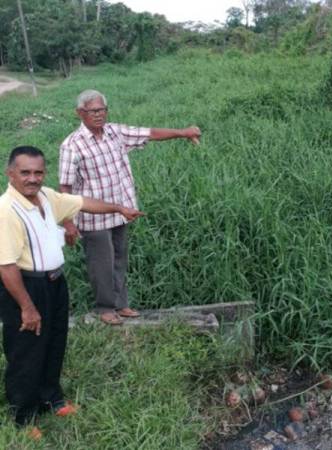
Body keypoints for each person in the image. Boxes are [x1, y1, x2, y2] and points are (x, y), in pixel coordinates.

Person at [0, 146, 143, 434]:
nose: (32, 178)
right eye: (25, 172)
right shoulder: (6, 210)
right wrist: (27, 307)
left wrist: (118, 208)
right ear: (10, 173)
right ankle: (24, 416)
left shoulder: (46, 197)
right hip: (25, 287)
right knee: (25, 350)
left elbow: (81, 202)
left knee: (54, 341)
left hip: (54, 282)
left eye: (38, 172)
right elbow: (6, 266)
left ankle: (51, 398)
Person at [59, 89, 201, 325]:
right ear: (80, 113)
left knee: (119, 260)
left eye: (102, 109)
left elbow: (150, 133)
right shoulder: (72, 145)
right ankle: (105, 308)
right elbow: (65, 187)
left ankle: (121, 304)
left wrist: (183, 133)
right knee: (101, 263)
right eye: (93, 111)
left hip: (121, 213)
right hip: (94, 217)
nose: (99, 115)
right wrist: (68, 221)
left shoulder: (115, 132)